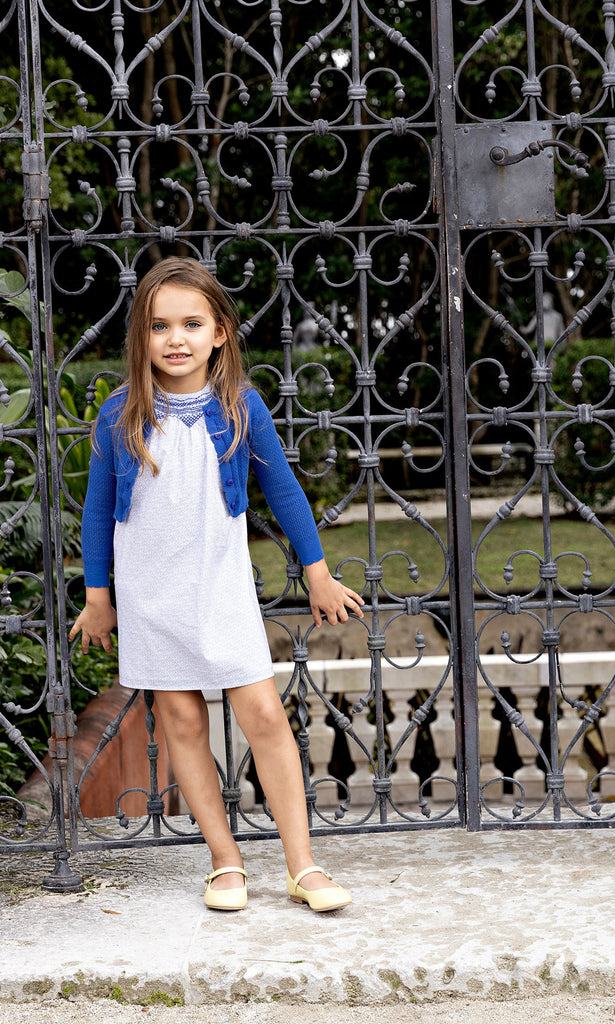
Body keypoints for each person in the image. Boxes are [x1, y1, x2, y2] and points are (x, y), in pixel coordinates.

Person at [70, 256, 365, 912]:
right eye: (159, 326)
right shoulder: (120, 415)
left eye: (191, 323)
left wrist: (316, 574)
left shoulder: (241, 407)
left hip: (220, 585)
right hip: (151, 594)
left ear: (220, 332)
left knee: (261, 712)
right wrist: (98, 598)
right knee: (179, 717)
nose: (176, 338)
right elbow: (96, 510)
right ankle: (225, 862)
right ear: (140, 338)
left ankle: (302, 864)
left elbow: (283, 489)